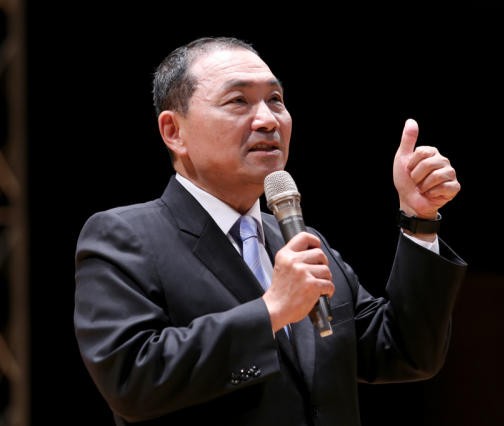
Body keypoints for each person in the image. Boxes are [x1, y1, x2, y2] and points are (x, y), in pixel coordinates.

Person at [73, 36, 468, 426]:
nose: (267, 120)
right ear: (174, 131)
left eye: (275, 99)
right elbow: (132, 380)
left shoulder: (300, 240)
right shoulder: (125, 237)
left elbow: (405, 352)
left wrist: (419, 221)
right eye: (238, 101)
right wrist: (271, 311)